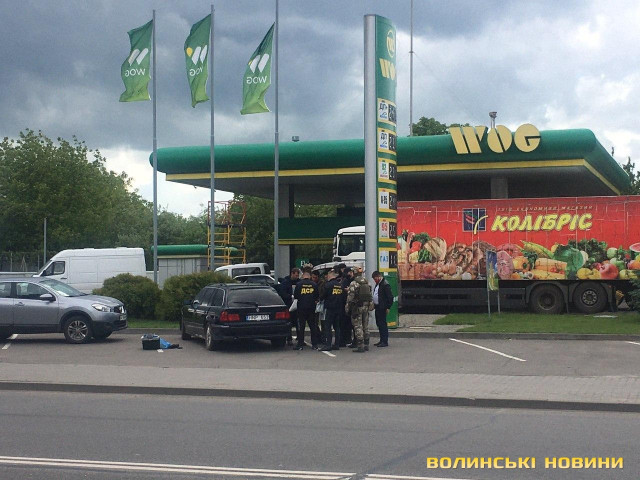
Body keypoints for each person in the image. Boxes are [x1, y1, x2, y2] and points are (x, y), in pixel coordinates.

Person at [345, 266, 372, 353]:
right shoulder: (367, 282)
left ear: (354, 273)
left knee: (358, 326)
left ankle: (360, 346)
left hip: (357, 307)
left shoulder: (354, 283)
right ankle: (367, 344)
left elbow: (350, 297)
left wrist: (347, 307)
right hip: (366, 306)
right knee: (365, 325)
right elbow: (370, 294)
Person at [293, 266, 320, 350]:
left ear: (303, 275)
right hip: (311, 308)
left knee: (301, 326)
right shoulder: (314, 284)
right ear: (309, 276)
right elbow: (317, 296)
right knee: (312, 326)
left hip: (301, 308)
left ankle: (300, 344)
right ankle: (314, 344)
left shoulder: (299, 284)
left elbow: (296, 296)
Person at [320, 270, 342, 351]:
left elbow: (323, 295)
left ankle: (328, 345)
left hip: (330, 308)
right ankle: (337, 344)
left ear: (330, 276)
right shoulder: (339, 285)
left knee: (328, 327)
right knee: (337, 327)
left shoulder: (328, 285)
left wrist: (320, 299)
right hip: (338, 308)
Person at [278, 267, 300, 346]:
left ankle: (299, 338)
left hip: (297, 305)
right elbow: (282, 293)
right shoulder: (285, 282)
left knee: (298, 322)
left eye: (298, 275)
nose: (297, 277)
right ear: (292, 274)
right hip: (288, 304)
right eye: (296, 275)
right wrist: (290, 296)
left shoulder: (299, 282)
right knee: (289, 322)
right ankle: (289, 339)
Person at [372, 270, 393, 347]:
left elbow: (390, 297)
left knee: (382, 324)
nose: (375, 280)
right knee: (379, 324)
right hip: (377, 306)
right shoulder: (378, 284)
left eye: (375, 279)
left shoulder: (385, 284)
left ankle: (384, 341)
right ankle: (381, 340)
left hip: (383, 307)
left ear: (379, 276)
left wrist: (388, 307)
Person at [340, 267, 354, 347]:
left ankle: (346, 340)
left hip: (347, 305)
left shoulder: (346, 280)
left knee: (346, 324)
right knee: (348, 324)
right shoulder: (348, 280)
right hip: (348, 304)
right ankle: (348, 339)